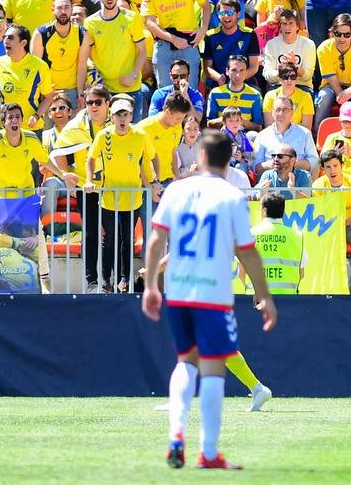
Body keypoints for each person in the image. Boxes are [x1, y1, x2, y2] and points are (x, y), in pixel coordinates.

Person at [143, 130, 278, 471]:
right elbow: (246, 251)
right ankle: (209, 452)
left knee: (185, 362)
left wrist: (151, 286)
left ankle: (176, 436)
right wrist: (263, 295)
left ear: (200, 156)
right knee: (214, 368)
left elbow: (157, 238)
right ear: (227, 159)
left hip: (179, 290)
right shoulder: (232, 197)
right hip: (214, 293)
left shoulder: (176, 190)